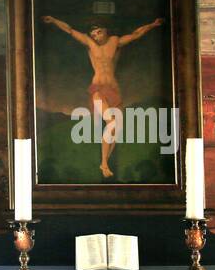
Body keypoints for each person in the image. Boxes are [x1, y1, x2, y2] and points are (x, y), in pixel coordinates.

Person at [42, 14, 165, 178]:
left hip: (114, 89)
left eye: (98, 32)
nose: (96, 36)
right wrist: (55, 20)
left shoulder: (115, 41)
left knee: (117, 128)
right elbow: (70, 30)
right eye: (93, 34)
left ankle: (103, 162)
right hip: (98, 89)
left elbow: (136, 34)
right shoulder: (90, 43)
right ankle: (104, 163)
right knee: (112, 123)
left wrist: (153, 24)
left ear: (105, 31)